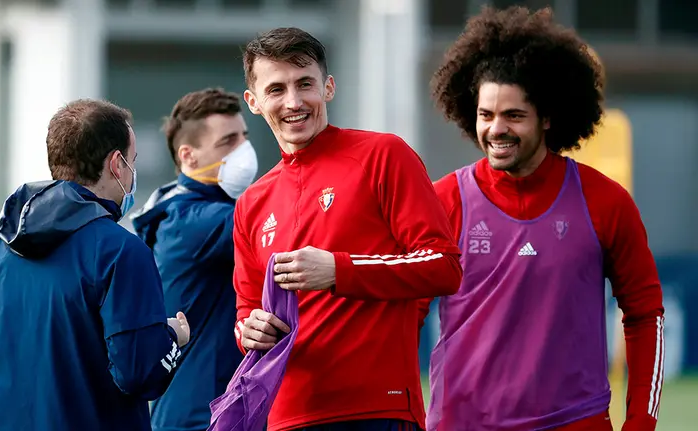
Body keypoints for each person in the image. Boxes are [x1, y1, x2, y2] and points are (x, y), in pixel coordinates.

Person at [427, 6, 665, 431]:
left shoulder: (605, 201)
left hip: (577, 422)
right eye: (486, 115)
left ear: (548, 118)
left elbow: (646, 315)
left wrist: (641, 423)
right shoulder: (443, 201)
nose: (496, 129)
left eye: (514, 116)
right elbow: (396, 314)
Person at [233, 27, 463, 431]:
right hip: (286, 416)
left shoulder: (383, 155)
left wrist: (341, 270)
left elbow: (444, 265)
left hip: (377, 411)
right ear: (254, 102)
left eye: (305, 84)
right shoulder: (252, 203)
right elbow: (247, 310)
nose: (293, 101)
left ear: (329, 87)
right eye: (276, 89)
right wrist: (249, 330)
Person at [0, 99, 192, 431]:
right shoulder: (121, 250)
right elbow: (141, 374)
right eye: (132, 161)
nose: (132, 172)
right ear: (116, 164)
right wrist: (173, 337)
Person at [131, 88, 256, 431]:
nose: (244, 150)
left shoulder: (183, 208)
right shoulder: (196, 221)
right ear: (189, 156)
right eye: (228, 141)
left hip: (201, 410)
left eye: (244, 137)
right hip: (200, 416)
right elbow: (282, 221)